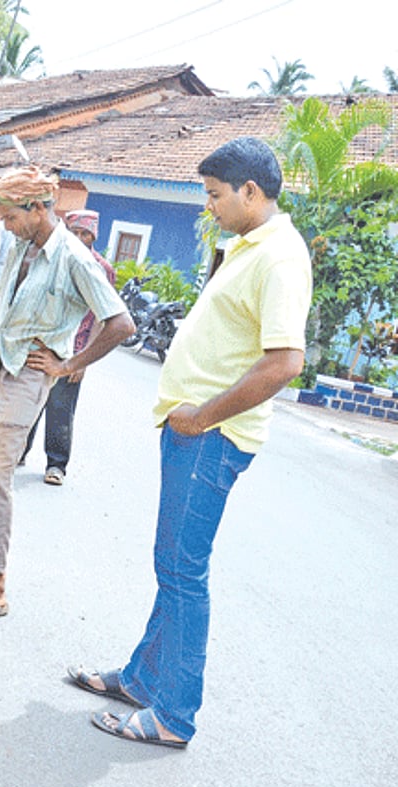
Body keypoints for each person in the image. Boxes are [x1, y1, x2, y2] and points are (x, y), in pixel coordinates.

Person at [71, 137, 311, 749]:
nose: (208, 207)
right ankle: (141, 680)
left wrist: (202, 417)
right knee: (172, 564)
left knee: (182, 571)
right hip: (196, 431)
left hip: (213, 437)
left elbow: (285, 362)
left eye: (213, 195)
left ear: (250, 192)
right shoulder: (249, 246)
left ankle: (174, 714)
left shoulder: (280, 256)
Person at [0, 166, 133, 622]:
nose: (4, 226)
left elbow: (121, 323)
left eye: (9, 217)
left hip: (27, 376)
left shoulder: (74, 258)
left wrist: (69, 366)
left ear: (36, 208)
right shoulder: (23, 245)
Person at [20, 209, 117, 485]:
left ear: (93, 236)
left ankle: (56, 465)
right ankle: (18, 452)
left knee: (61, 409)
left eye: (85, 233)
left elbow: (104, 316)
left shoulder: (100, 268)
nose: (79, 238)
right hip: (42, 345)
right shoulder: (52, 257)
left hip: (73, 350)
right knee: (28, 400)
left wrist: (83, 359)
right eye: (74, 232)